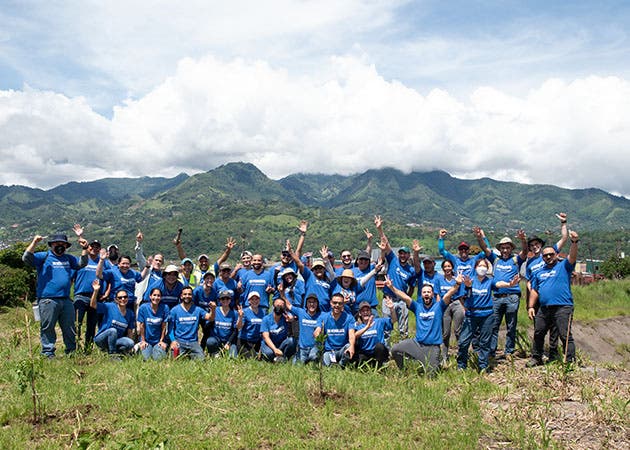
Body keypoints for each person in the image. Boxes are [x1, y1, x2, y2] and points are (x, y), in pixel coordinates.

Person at [22, 225, 89, 357]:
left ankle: (71, 352)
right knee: (48, 327)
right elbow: (26, 258)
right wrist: (34, 242)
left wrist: (85, 248)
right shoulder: (44, 256)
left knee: (70, 328)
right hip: (48, 300)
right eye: (57, 243)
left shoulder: (68, 258)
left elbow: (82, 263)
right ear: (52, 245)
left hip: (66, 299)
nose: (60, 246)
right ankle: (48, 353)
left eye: (63, 244)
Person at [527, 230, 580, 366]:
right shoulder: (539, 272)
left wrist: (574, 242)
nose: (549, 257)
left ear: (556, 255)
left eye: (551, 254)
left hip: (563, 307)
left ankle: (569, 361)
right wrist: (531, 306)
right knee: (538, 333)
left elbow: (572, 257)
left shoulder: (564, 266)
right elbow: (534, 290)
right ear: (542, 257)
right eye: (546, 255)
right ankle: (536, 357)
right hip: (544, 309)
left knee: (565, 335)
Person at [457, 259, 520, 372]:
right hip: (472, 315)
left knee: (485, 342)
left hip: (487, 315)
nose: (482, 268)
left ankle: (483, 366)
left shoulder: (489, 281)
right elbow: (463, 295)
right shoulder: (469, 280)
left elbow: (499, 284)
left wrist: (510, 284)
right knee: (463, 341)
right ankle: (461, 365)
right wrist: (467, 287)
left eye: (484, 266)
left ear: (487, 269)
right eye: (479, 265)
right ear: (475, 268)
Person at [387, 276, 455, 375]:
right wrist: (391, 287)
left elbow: (448, 295)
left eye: (428, 292)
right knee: (395, 349)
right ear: (421, 295)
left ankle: (436, 361)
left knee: (431, 376)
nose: (426, 294)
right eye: (424, 292)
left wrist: (457, 284)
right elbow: (405, 297)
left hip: (432, 347)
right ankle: (405, 371)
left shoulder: (439, 306)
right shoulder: (417, 307)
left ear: (432, 294)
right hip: (417, 344)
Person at [525, 213, 569, 361]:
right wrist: (530, 302)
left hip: (554, 298)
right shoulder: (530, 262)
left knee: (555, 329)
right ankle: (537, 355)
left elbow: (564, 238)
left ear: (541, 245)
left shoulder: (550, 253)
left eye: (536, 244)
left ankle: (553, 353)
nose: (534, 247)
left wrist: (563, 223)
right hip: (536, 296)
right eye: (531, 245)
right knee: (539, 328)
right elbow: (529, 281)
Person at [479, 230, 528, 361]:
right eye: (503, 248)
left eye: (507, 247)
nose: (505, 250)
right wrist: (479, 237)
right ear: (499, 249)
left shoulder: (515, 259)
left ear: (511, 248)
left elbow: (525, 251)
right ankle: (491, 352)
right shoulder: (495, 260)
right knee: (494, 325)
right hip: (496, 297)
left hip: (512, 297)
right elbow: (484, 248)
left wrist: (523, 240)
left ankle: (509, 351)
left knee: (511, 325)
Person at [374, 215, 416, 338]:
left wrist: (407, 298)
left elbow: (412, 286)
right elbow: (385, 244)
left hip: (402, 301)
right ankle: (386, 352)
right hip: (388, 299)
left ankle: (403, 353)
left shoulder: (411, 270)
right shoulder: (393, 260)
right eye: (401, 253)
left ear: (409, 256)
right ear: (398, 255)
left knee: (404, 329)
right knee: (387, 328)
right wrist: (380, 229)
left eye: (405, 254)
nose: (403, 256)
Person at [72, 239, 104, 349]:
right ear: (88, 247)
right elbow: (71, 278)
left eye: (97, 247)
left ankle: (88, 348)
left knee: (91, 325)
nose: (94, 249)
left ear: (99, 249)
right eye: (92, 246)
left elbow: (109, 279)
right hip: (80, 296)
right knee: (77, 323)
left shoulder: (102, 262)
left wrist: (106, 293)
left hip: (95, 298)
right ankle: (75, 347)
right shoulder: (80, 261)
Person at [91, 280, 136, 356]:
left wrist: (129, 348)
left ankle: (118, 352)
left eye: (125, 297)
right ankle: (112, 354)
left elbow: (130, 331)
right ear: (116, 299)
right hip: (101, 339)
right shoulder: (110, 306)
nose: (123, 299)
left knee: (130, 343)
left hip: (116, 340)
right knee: (112, 331)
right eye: (120, 297)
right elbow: (93, 305)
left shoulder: (130, 313)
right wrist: (95, 291)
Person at [168, 286, 212, 360]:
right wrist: (173, 341)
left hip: (193, 342)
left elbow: (210, 318)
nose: (187, 296)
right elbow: (170, 328)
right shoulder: (174, 310)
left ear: (192, 296)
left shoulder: (197, 310)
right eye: (185, 294)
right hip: (179, 341)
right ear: (181, 296)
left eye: (189, 294)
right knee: (176, 360)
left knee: (201, 359)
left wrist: (213, 309)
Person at [314, 293, 356, 367]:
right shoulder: (323, 317)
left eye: (340, 303)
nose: (337, 305)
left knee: (349, 346)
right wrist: (317, 333)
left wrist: (352, 346)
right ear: (330, 303)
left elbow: (352, 334)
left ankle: (341, 365)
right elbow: (318, 329)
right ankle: (331, 365)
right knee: (324, 366)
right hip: (329, 351)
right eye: (335, 303)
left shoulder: (349, 318)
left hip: (342, 350)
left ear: (343, 304)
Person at [282, 293, 322, 364]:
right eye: (309, 302)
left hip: (314, 347)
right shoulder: (301, 312)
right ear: (306, 304)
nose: (312, 304)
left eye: (314, 302)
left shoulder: (322, 315)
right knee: (295, 366)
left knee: (313, 358)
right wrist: (282, 293)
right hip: (302, 348)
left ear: (317, 304)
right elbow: (288, 305)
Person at [352, 300, 393, 368]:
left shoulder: (378, 321)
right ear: (359, 313)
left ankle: (380, 366)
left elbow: (393, 320)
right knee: (358, 362)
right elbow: (354, 336)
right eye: (363, 311)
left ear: (370, 312)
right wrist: (367, 327)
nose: (365, 312)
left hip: (378, 352)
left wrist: (392, 309)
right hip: (366, 353)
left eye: (367, 310)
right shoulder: (357, 326)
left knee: (379, 346)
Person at [260, 297, 297, 362]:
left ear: (285, 308)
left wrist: (292, 320)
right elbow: (266, 337)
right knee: (269, 353)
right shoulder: (266, 319)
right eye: (277, 304)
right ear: (273, 306)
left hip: (280, 344)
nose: (279, 306)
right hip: (269, 345)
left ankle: (283, 357)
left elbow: (298, 319)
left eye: (282, 305)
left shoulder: (286, 319)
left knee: (292, 341)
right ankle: (274, 357)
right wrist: (274, 349)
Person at [136, 288, 170, 361]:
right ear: (150, 296)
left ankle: (158, 350)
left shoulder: (165, 308)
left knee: (159, 359)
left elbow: (164, 326)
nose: (156, 298)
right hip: (146, 340)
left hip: (158, 340)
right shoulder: (143, 308)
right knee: (146, 359)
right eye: (154, 295)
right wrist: (143, 340)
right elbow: (141, 325)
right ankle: (138, 348)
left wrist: (161, 340)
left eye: (158, 296)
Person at [206, 290, 242, 357]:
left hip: (229, 340)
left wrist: (228, 343)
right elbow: (207, 325)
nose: (225, 300)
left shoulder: (234, 313)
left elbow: (235, 330)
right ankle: (215, 353)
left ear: (230, 300)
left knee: (233, 357)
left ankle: (225, 352)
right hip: (216, 339)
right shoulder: (215, 310)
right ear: (219, 300)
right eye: (223, 298)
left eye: (227, 298)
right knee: (210, 342)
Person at [439, 260, 462, 362]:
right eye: (445, 266)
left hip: (456, 303)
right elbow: (437, 295)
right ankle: (444, 356)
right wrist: (438, 308)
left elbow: (461, 295)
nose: (447, 268)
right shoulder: (439, 279)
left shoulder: (457, 280)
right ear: (443, 268)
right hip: (445, 305)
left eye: (449, 266)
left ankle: (461, 354)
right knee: (445, 333)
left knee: (458, 331)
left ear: (452, 268)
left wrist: (464, 308)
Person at [237, 292, 266, 358]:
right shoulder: (245, 311)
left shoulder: (263, 312)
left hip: (257, 341)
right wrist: (240, 317)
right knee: (253, 358)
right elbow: (239, 327)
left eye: (256, 299)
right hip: (245, 341)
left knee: (264, 357)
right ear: (249, 301)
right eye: (252, 299)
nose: (254, 301)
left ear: (259, 300)